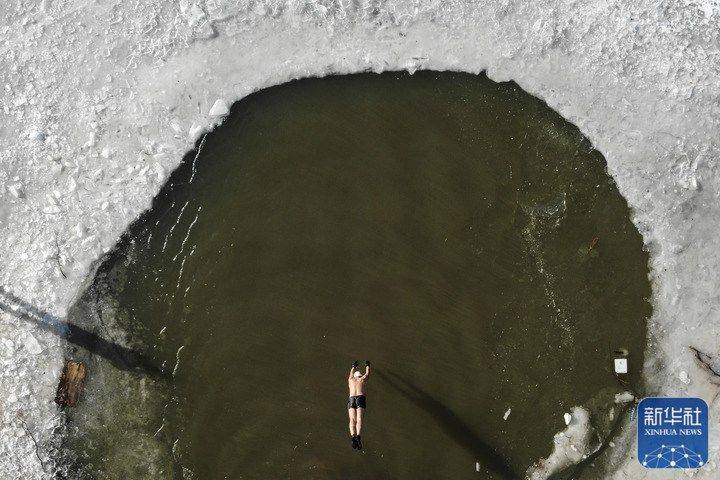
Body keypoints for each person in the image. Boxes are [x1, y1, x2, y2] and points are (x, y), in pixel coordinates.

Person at [347, 359, 370, 450]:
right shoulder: (362, 379)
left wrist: (353, 367)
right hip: (360, 398)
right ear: (360, 375)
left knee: (352, 419)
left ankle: (353, 437)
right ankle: (358, 436)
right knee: (359, 419)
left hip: (351, 398)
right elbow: (367, 374)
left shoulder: (350, 380)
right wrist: (368, 365)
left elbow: (351, 374)